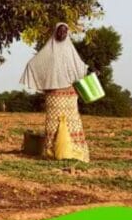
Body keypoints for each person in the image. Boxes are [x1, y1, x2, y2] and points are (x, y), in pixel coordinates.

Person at [19, 22, 90, 162]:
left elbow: (80, 67)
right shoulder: (48, 50)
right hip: (54, 94)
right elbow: (33, 64)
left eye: (64, 31)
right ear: (55, 32)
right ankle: (52, 152)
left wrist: (90, 71)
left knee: (73, 122)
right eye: (59, 31)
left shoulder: (70, 50)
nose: (62, 34)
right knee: (53, 123)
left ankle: (74, 152)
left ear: (67, 33)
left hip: (70, 92)